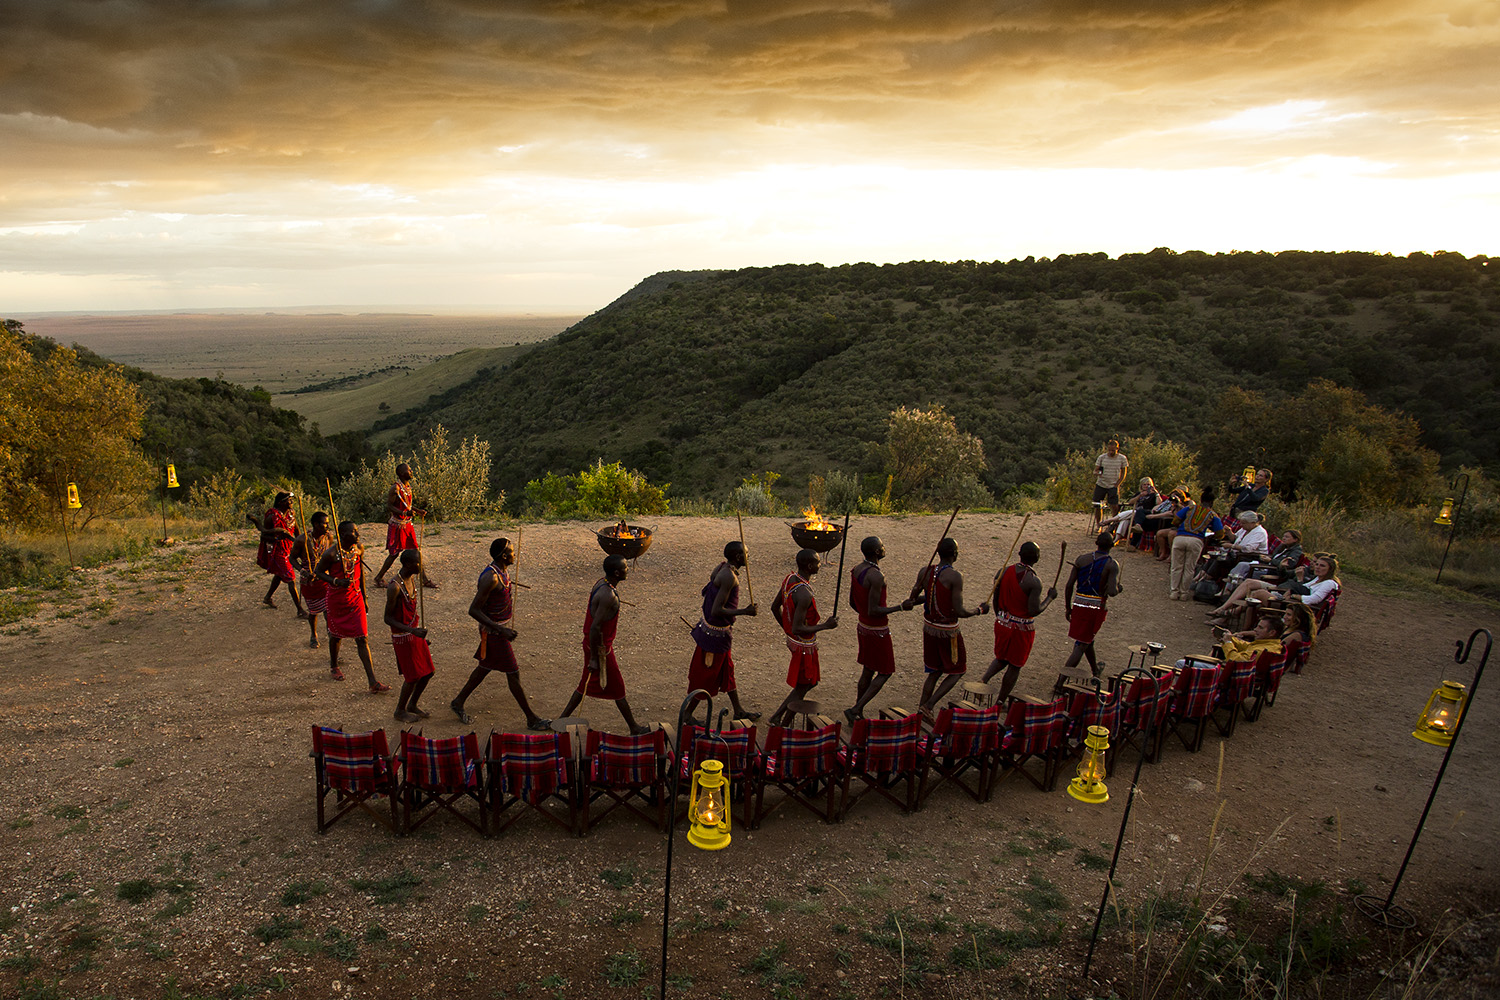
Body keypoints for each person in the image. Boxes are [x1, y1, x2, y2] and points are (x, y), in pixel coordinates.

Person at [449, 538, 550, 730]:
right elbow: (474, 610)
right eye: (512, 552)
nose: (515, 555)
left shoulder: (502, 571)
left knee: (485, 667)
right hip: (494, 633)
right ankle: (532, 719)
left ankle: (458, 701)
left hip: (497, 630)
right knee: (513, 673)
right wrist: (500, 629)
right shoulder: (491, 577)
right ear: (503, 556)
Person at [557, 556, 649, 734]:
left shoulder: (601, 583)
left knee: (584, 684)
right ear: (616, 573)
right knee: (617, 687)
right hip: (599, 649)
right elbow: (595, 627)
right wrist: (594, 657)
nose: (627, 570)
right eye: (625, 568)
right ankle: (634, 727)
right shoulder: (608, 596)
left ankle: (561, 721)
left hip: (594, 645)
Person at [908, 538, 989, 716]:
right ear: (954, 554)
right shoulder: (954, 576)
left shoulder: (925, 571)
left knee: (935, 671)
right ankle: (928, 706)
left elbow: (919, 598)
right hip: (947, 632)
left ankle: (921, 712)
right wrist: (979, 610)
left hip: (929, 628)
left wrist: (916, 592)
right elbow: (959, 611)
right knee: (957, 670)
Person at [843, 536, 916, 724]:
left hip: (863, 627)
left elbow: (853, 602)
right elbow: (874, 610)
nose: (884, 548)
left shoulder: (857, 570)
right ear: (877, 552)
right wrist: (900, 607)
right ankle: (856, 709)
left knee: (868, 670)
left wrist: (865, 616)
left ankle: (857, 712)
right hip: (877, 630)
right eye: (882, 546)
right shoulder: (876, 576)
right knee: (884, 671)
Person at [686, 541, 760, 719]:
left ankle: (738, 710)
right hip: (715, 636)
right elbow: (716, 610)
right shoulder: (729, 577)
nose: (748, 557)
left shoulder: (721, 567)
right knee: (707, 674)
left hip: (718, 633)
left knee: (728, 670)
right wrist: (745, 611)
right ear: (737, 557)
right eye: (746, 554)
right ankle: (688, 714)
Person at [768, 549, 840, 728]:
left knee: (809, 683)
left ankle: (780, 719)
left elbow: (774, 607)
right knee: (805, 685)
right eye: (817, 562)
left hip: (796, 641)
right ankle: (780, 720)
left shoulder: (789, 579)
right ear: (809, 566)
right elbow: (798, 627)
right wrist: (825, 625)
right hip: (803, 645)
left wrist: (787, 631)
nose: (819, 565)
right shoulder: (804, 594)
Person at [313, 521, 388, 692]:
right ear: (342, 535)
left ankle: (372, 682)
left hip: (355, 598)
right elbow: (318, 572)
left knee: (362, 637)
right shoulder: (331, 554)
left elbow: (360, 573)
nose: (357, 535)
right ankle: (333, 665)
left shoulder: (359, 549)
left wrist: (365, 597)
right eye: (353, 532)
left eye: (357, 531)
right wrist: (336, 581)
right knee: (336, 635)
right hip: (337, 599)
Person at [981, 541, 1058, 701]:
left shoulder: (1002, 572)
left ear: (1019, 554)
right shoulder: (1033, 581)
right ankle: (1001, 701)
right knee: (1015, 665)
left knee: (1001, 658)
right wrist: (1050, 598)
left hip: (1002, 622)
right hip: (1021, 629)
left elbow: (995, 598)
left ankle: (983, 681)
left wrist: (1000, 616)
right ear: (1037, 558)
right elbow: (1034, 610)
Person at [1209, 554, 1340, 621]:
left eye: (1322, 566)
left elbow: (1313, 599)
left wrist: (1294, 592)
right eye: (1316, 564)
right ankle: (1225, 610)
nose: (1317, 567)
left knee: (1256, 595)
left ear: (1330, 569)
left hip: (1290, 603)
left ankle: (1229, 615)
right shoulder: (1317, 578)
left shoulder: (1329, 583)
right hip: (1282, 591)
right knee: (1249, 583)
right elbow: (1291, 579)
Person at [385, 549, 434, 723]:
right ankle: (400, 710)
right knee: (412, 676)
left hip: (413, 632)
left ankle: (412, 704)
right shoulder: (394, 587)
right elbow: (387, 618)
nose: (421, 566)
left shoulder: (411, 579)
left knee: (428, 672)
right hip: (403, 636)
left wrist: (416, 632)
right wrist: (412, 631)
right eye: (418, 563)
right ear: (407, 564)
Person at [1063, 531, 1122, 677]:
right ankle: (1060, 681)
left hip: (1079, 603)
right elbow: (1112, 592)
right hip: (1096, 607)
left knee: (1087, 639)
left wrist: (1068, 607)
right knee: (1082, 643)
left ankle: (1095, 670)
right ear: (1112, 545)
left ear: (1097, 543)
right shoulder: (1111, 564)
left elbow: (1069, 585)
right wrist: (1119, 588)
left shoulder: (1082, 559)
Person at [373, 464, 434, 589]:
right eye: (409, 470)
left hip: (407, 524)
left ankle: (425, 579)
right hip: (398, 525)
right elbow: (389, 506)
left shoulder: (407, 487)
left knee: (415, 551)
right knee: (394, 554)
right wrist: (404, 513)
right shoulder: (395, 488)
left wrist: (417, 510)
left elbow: (407, 505)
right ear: (401, 473)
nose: (412, 471)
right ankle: (379, 577)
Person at [1169, 488, 1222, 601]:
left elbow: (1176, 520)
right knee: (1189, 568)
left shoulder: (1190, 508)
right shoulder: (1212, 515)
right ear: (1212, 502)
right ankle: (1183, 593)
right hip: (1196, 540)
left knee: (1176, 566)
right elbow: (1220, 534)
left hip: (1180, 538)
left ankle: (1174, 592)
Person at [258, 492, 305, 615]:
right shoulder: (271, 517)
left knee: (279, 574)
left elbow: (296, 530)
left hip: (289, 549)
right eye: (288, 500)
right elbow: (264, 535)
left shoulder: (291, 514)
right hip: (277, 551)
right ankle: (300, 610)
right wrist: (278, 539)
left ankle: (267, 598)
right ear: (281, 502)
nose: (291, 502)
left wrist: (301, 544)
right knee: (291, 579)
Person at [292, 511, 334, 648]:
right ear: (316, 524)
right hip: (309, 582)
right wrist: (303, 571)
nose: (327, 526)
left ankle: (331, 634)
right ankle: (313, 634)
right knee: (314, 611)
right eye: (324, 523)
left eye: (328, 523)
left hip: (324, 579)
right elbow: (291, 558)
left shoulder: (328, 538)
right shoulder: (302, 540)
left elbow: (330, 557)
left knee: (328, 610)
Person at [1104, 477, 1160, 545]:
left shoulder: (1153, 494)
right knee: (1125, 520)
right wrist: (1139, 496)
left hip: (1143, 514)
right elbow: (1130, 502)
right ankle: (1115, 540)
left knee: (1134, 512)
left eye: (1148, 484)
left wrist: (1156, 493)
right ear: (1141, 485)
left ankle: (1111, 520)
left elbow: (1159, 503)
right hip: (1134, 512)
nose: (1146, 486)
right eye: (1144, 484)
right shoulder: (1139, 493)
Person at [1093, 439, 1130, 518]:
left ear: (1117, 449)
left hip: (1113, 485)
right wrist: (1098, 473)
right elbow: (1096, 470)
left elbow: (1124, 472)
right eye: (1109, 450)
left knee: (1114, 506)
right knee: (1098, 505)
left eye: (1113, 450)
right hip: (1101, 484)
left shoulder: (1122, 458)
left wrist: (1118, 483)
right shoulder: (1102, 457)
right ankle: (1098, 525)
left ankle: (1113, 525)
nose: (1111, 452)